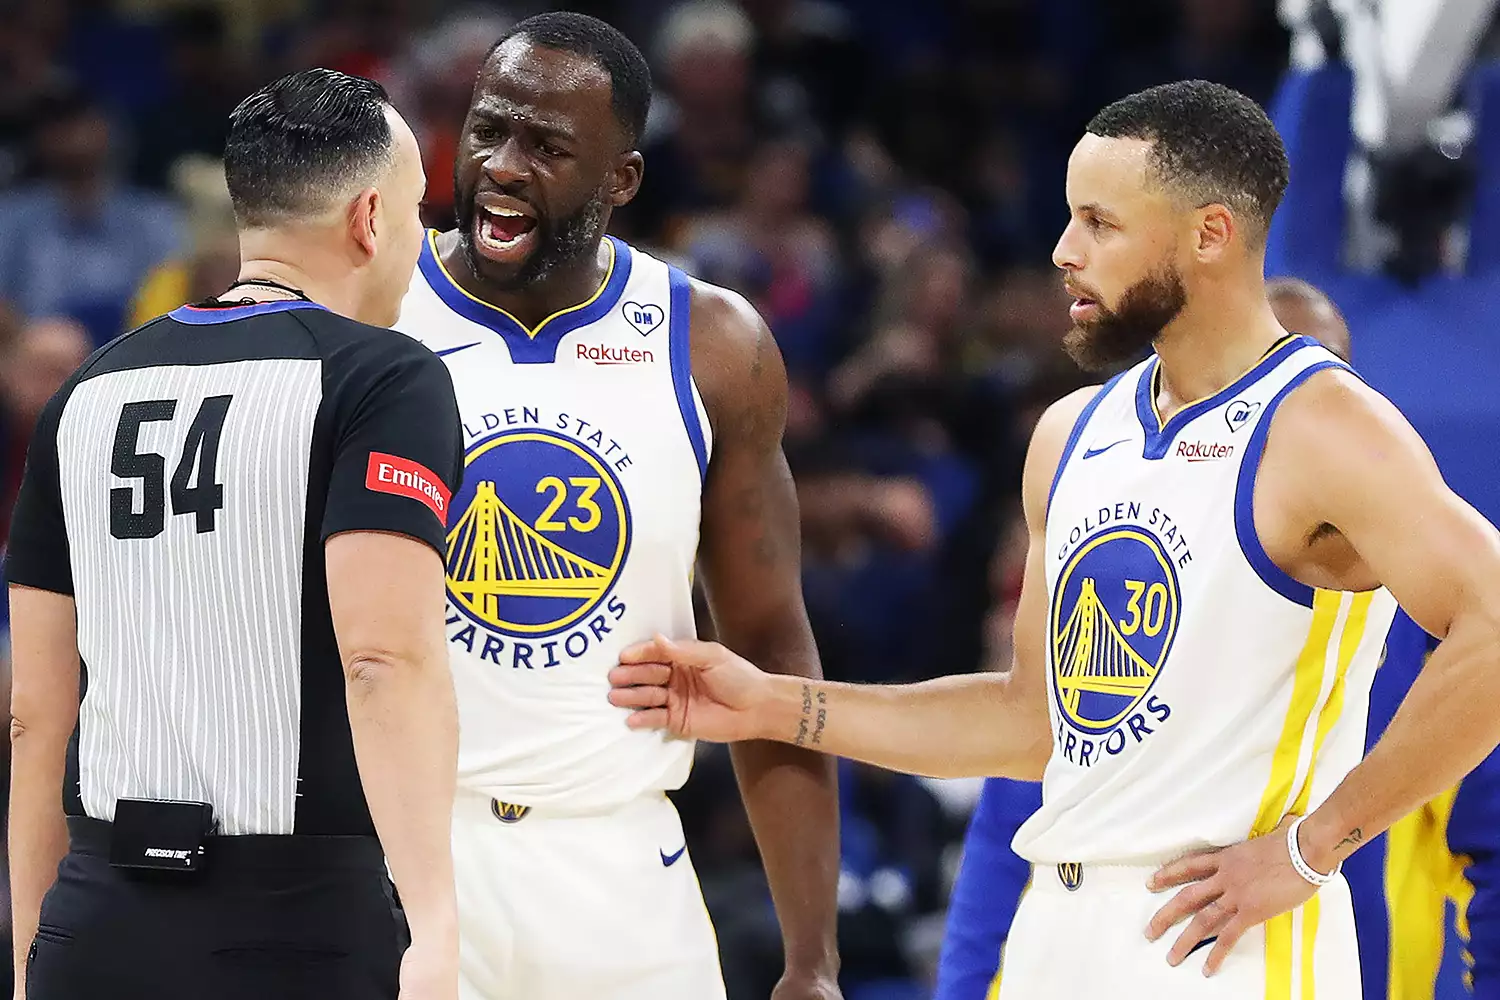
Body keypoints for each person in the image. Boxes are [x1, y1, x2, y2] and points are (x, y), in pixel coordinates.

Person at [608, 79, 1500, 998]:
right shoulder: (1070, 433)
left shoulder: (1324, 425)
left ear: (1208, 235)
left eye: (1100, 224)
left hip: (1227, 944)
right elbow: (1026, 725)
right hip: (1057, 929)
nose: (1063, 252)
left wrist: (1315, 850)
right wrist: (773, 705)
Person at [393, 12, 841, 1000]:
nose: (503, 166)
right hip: (404, 855)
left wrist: (813, 956)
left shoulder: (711, 345)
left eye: (547, 147)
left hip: (620, 866)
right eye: (488, 129)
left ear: (622, 179)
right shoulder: (371, 309)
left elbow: (768, 641)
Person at [6, 68, 463, 1000]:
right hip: (295, 923)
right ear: (371, 219)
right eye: (421, 214)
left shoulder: (85, 390)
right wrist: (435, 923)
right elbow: (383, 658)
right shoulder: (386, 378)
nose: (422, 246)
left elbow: (36, 713)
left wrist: (28, 958)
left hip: (97, 918)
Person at [926, 278, 1366, 1000]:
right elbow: (1017, 789)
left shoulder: (1392, 586)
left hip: (1274, 949)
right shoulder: (1119, 549)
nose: (1297, 399)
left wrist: (1315, 850)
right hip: (1071, 934)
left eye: (1324, 376)